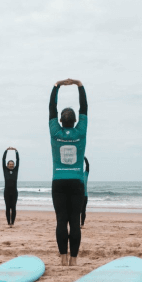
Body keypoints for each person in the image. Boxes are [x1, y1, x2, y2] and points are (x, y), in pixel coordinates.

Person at [49, 78, 87, 266]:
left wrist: (57, 86)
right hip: (77, 182)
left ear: (61, 120)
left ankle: (63, 257)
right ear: (75, 121)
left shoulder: (55, 131)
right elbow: (85, 108)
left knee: (61, 221)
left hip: (59, 182)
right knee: (74, 220)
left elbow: (51, 109)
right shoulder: (81, 132)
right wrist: (80, 86)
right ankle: (73, 259)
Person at [3, 147, 20, 227]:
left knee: (13, 208)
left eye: (12, 164)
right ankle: (8, 223)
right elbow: (3, 160)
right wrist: (6, 151)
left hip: (14, 192)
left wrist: (16, 152)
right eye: (10, 164)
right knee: (7, 207)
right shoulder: (5, 170)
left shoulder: (15, 170)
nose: (11, 165)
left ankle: (12, 223)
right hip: (6, 192)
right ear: (7, 165)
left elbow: (18, 161)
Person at [81, 157, 89, 229]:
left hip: (85, 196)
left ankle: (82, 224)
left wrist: (84, 158)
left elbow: (87, 166)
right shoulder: (76, 175)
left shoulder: (85, 174)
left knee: (83, 210)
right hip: (77, 195)